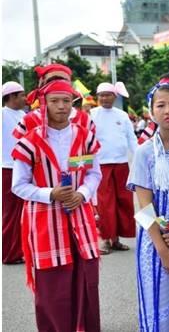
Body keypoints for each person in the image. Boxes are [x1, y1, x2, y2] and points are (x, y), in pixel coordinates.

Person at [11, 80, 102, 332]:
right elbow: (18, 186)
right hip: (44, 219)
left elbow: (95, 174)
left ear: (73, 102)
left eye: (66, 101)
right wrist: (51, 193)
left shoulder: (84, 135)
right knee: (53, 286)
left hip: (79, 214)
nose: (61, 107)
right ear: (44, 104)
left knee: (86, 279)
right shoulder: (30, 142)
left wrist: (82, 193)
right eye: (54, 101)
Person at [128, 80, 169, 331]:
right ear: (151, 112)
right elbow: (143, 208)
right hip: (156, 241)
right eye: (160, 105)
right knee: (158, 303)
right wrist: (162, 249)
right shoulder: (144, 153)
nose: (168, 110)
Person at [91, 82, 138, 254]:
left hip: (121, 163)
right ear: (97, 97)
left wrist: (139, 157)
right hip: (100, 164)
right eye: (101, 95)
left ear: (114, 96)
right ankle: (104, 239)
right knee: (105, 203)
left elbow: (131, 138)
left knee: (123, 201)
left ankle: (116, 239)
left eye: (108, 95)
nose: (104, 98)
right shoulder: (92, 114)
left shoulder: (122, 115)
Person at [2, 81, 26, 264]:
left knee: (23, 214)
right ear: (11, 97)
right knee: (10, 214)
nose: (25, 99)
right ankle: (9, 254)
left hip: (23, 167)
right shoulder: (2, 115)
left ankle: (20, 250)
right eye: (21, 96)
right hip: (7, 168)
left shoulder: (23, 115)